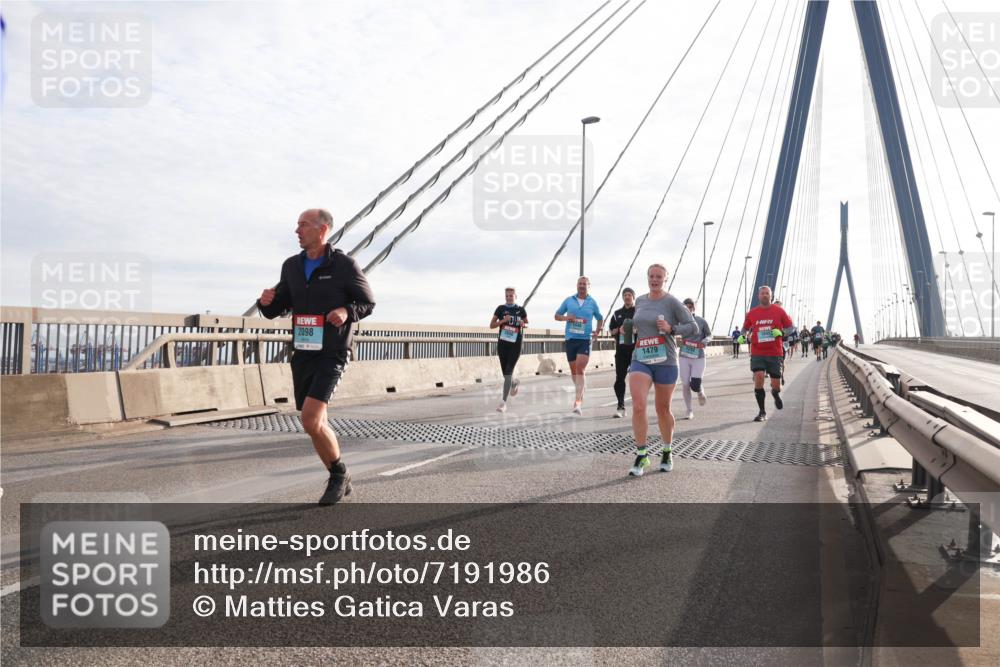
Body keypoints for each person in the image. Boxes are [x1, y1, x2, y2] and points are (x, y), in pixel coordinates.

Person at [258, 208, 375, 505]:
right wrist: (265, 303)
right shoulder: (292, 267)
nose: (297, 230)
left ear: (322, 229)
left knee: (311, 420)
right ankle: (340, 475)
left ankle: (338, 475)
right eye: (297, 225)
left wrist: (346, 311)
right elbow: (279, 308)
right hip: (303, 352)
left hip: (333, 352)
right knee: (314, 423)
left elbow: (367, 302)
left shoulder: (344, 265)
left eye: (303, 225)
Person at [627, 264, 699, 477]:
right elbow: (639, 325)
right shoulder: (640, 300)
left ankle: (667, 451)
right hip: (641, 357)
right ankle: (642, 455)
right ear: (647, 277)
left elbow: (693, 327)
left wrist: (671, 329)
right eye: (651, 276)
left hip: (666, 360)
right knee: (639, 405)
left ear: (665, 279)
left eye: (659, 276)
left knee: (662, 409)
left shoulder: (673, 302)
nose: (654, 279)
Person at [739, 286, 793, 422]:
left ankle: (775, 393)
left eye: (767, 293)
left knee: (776, 384)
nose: (764, 295)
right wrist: (742, 336)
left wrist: (782, 333)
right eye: (762, 293)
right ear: (758, 296)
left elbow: (791, 328)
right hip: (758, 351)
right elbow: (745, 328)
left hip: (775, 352)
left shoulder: (779, 311)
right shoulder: (752, 313)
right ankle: (762, 412)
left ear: (771, 295)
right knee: (759, 376)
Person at [554, 276, 604, 415]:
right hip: (571, 339)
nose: (582, 286)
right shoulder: (569, 300)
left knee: (580, 369)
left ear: (589, 286)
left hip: (584, 340)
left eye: (584, 284)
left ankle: (577, 402)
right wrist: (566, 318)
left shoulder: (592, 302)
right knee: (574, 370)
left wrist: (597, 332)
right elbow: (556, 315)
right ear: (577, 285)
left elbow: (600, 318)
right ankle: (580, 390)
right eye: (580, 284)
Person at [490, 287, 529, 413]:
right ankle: (514, 383)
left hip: (516, 344)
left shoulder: (520, 310)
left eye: (511, 296)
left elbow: (526, 323)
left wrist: (523, 324)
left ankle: (503, 403)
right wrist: (503, 321)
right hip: (503, 344)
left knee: (508, 371)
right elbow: (491, 325)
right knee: (506, 374)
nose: (509, 298)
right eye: (507, 296)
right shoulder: (500, 309)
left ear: (515, 296)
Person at [679, 297, 712, 420]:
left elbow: (709, 335)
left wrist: (705, 340)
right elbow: (671, 331)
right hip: (684, 356)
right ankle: (689, 410)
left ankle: (699, 390)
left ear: (693, 308)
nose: (688, 308)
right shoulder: (680, 322)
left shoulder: (701, 321)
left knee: (695, 383)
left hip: (699, 356)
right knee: (685, 384)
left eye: (690, 306)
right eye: (686, 306)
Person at [607, 288, 637, 418]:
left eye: (629, 295)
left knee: (637, 380)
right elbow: (611, 331)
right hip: (621, 351)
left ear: (633, 297)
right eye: (625, 295)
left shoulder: (639, 312)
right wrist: (618, 330)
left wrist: (637, 330)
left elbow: (647, 328)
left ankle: (638, 406)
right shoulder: (616, 313)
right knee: (619, 379)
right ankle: (621, 406)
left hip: (637, 351)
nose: (627, 297)